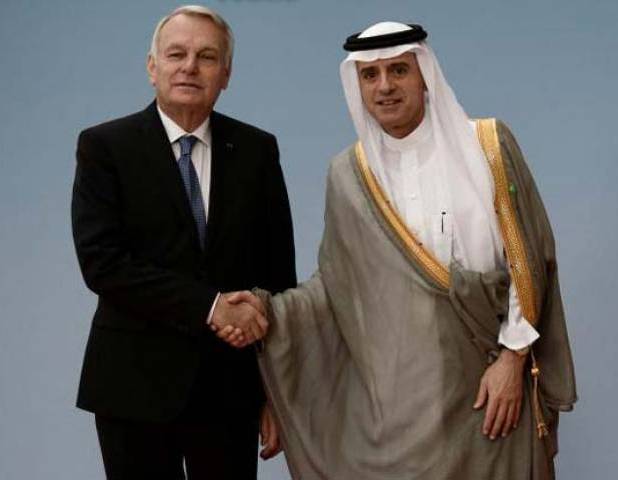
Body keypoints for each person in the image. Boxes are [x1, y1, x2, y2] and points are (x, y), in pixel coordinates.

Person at [219, 21, 576, 479]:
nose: (385, 86)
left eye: (398, 70)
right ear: (357, 86)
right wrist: (265, 311)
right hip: (401, 405)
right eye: (370, 75)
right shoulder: (348, 175)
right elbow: (335, 287)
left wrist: (512, 360)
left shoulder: (486, 145)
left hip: (487, 390)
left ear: (424, 74)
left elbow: (529, 257)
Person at [71, 5, 296, 479]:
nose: (190, 67)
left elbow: (277, 278)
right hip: (132, 387)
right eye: (176, 54)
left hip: (230, 392)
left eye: (206, 57)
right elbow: (104, 265)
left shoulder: (257, 150)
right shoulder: (104, 147)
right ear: (152, 67)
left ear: (226, 74)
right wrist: (212, 307)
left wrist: (275, 392)